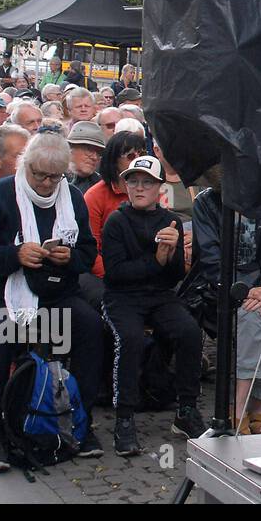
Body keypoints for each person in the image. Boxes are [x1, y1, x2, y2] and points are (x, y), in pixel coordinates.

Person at [0, 132, 103, 470]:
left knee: (90, 328)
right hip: (0, 293)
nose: (45, 183)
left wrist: (66, 256)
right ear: (25, 166)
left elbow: (87, 253)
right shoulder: (0, 195)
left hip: (55, 293)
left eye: (53, 177)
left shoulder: (71, 197)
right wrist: (15, 254)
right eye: (39, 175)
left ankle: (78, 420)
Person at [99, 155, 205, 454]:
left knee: (189, 332)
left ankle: (186, 409)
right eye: (133, 181)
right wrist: (156, 259)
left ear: (159, 187)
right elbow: (116, 274)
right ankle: (124, 417)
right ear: (126, 185)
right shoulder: (116, 222)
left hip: (159, 296)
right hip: (122, 298)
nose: (139, 187)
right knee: (129, 339)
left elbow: (173, 277)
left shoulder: (168, 220)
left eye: (147, 182)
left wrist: (173, 255)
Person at [192, 168, 261, 433]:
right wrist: (248, 292)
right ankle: (245, 407)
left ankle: (250, 406)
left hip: (260, 292)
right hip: (218, 293)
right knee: (257, 319)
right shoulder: (206, 203)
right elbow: (211, 261)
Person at [81, 130, 148, 308]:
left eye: (142, 154)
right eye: (131, 155)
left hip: (140, 269)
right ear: (114, 161)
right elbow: (90, 249)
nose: (138, 160)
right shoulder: (94, 196)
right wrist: (120, 276)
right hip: (105, 271)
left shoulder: (151, 190)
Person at [66, 121, 105, 196]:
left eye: (99, 153)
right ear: (70, 148)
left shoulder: (103, 186)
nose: (94, 157)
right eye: (89, 150)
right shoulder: (53, 178)